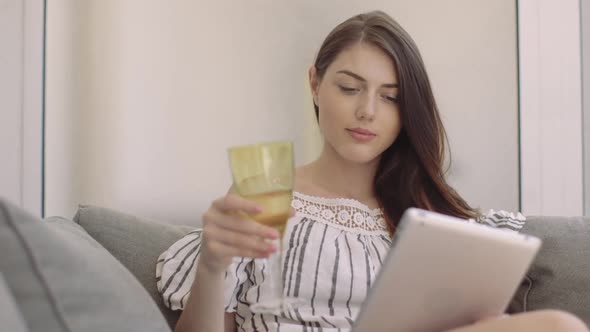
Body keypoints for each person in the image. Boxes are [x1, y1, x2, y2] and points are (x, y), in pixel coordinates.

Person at [156, 10, 589, 332]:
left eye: (390, 97)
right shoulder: (263, 196)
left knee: (560, 327)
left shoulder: (434, 217)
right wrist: (213, 265)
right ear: (315, 83)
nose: (366, 111)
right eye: (349, 88)